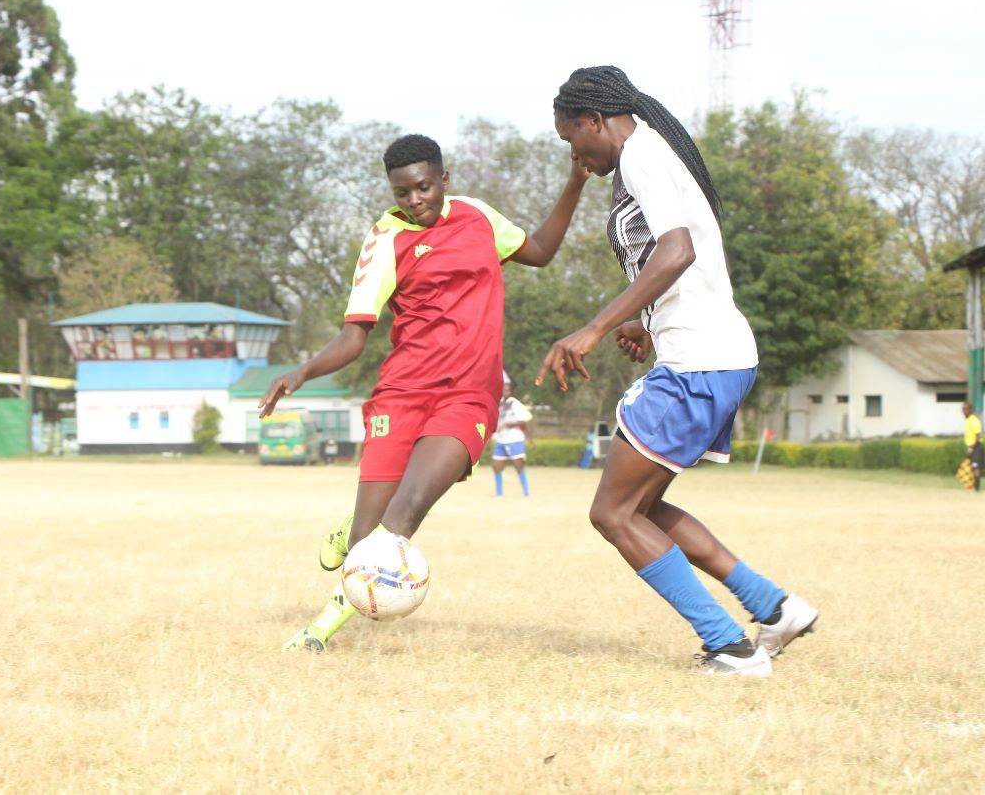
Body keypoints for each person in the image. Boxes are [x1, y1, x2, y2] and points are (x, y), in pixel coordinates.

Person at [535, 66, 817, 676]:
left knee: (612, 514)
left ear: (592, 120)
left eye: (571, 139)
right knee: (643, 508)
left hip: (699, 361)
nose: (575, 153)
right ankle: (773, 608)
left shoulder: (639, 153)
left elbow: (677, 249)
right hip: (716, 354)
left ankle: (730, 647)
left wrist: (596, 327)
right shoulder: (652, 153)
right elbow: (692, 262)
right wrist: (645, 320)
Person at [262, 133, 587, 652]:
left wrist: (574, 181)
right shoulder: (384, 240)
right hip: (402, 393)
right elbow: (354, 336)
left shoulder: (478, 217)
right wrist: (301, 372)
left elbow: (542, 252)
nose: (415, 202)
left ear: (444, 180)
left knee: (405, 514)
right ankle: (353, 527)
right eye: (402, 193)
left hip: (468, 395)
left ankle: (318, 632)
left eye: (424, 188)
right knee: (366, 542)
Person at [491, 376, 534, 497]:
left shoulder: (516, 404)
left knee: (518, 466)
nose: (504, 391)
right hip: (500, 439)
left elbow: (524, 421)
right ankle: (499, 494)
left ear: (511, 391)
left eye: (507, 390)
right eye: (503, 389)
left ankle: (526, 493)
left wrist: (508, 424)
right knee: (496, 466)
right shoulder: (498, 404)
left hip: (514, 439)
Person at [962, 402, 984, 491]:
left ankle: (977, 488)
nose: (964, 411)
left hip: (977, 447)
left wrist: (971, 449)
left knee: (976, 467)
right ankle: (973, 486)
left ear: (970, 410)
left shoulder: (974, 420)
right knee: (971, 467)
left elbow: (978, 436)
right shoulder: (967, 421)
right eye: (963, 409)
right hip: (971, 447)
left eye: (966, 409)